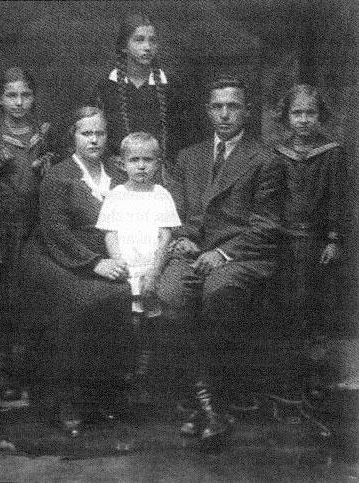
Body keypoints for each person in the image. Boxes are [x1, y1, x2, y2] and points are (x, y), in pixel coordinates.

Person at [158, 77, 284, 444]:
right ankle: (202, 399)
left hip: (243, 253)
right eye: (217, 106)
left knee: (218, 291)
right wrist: (182, 239)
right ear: (208, 110)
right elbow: (177, 213)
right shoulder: (189, 156)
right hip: (196, 250)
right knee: (170, 292)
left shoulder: (265, 159)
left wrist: (223, 253)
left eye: (233, 107)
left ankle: (216, 403)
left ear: (246, 112)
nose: (225, 114)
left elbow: (267, 225)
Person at [20, 106, 133, 434]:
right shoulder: (59, 175)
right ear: (73, 138)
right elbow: (56, 231)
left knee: (121, 299)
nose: (94, 140)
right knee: (80, 305)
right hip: (65, 260)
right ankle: (69, 398)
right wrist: (95, 263)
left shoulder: (117, 169)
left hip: (110, 256)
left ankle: (107, 395)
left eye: (100, 133)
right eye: (87, 133)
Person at [0, 66, 56, 407]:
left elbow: (53, 184)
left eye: (25, 95)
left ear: (34, 98)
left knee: (33, 300)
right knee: (2, 304)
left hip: (35, 231)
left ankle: (32, 375)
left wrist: (45, 168)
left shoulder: (42, 135)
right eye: (12, 95)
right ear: (0, 99)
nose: (19, 102)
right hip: (4, 232)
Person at [96, 132, 181, 401]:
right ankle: (127, 378)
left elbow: (165, 235)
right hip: (126, 269)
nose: (141, 166)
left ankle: (149, 378)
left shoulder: (161, 195)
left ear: (158, 163)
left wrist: (154, 272)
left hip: (152, 268)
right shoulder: (116, 196)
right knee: (128, 324)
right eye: (134, 160)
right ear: (122, 164)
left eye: (148, 160)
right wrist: (120, 264)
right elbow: (110, 233)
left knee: (154, 322)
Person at [274, 84, 345, 390]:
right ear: (287, 116)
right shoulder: (276, 152)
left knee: (315, 304)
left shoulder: (332, 153)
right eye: (297, 113)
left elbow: (338, 198)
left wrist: (334, 238)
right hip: (283, 240)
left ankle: (316, 374)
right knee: (285, 303)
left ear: (320, 116)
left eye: (310, 113)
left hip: (317, 241)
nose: (303, 119)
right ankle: (287, 374)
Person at [92, 12, 196, 169]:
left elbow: (185, 140)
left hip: (162, 175)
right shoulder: (105, 88)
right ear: (123, 47)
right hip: (115, 174)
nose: (147, 47)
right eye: (139, 40)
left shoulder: (172, 88)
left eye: (152, 41)